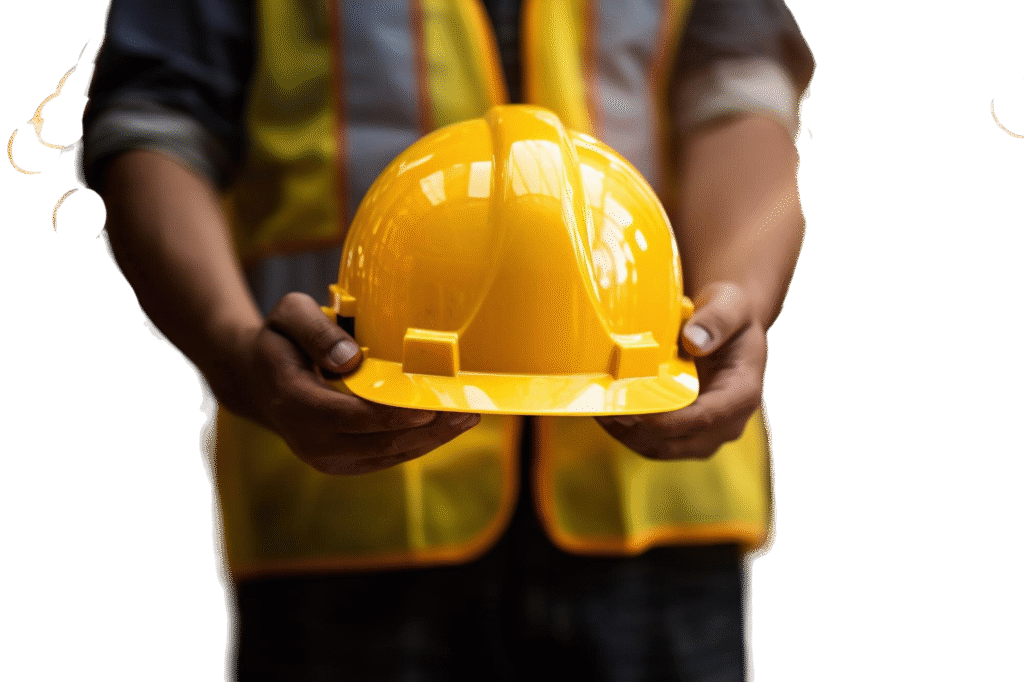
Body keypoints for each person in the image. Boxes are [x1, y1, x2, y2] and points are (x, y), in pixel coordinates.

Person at [79, 0, 813, 679]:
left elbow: (737, 93)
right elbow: (155, 128)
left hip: (656, 508)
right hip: (348, 503)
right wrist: (231, 347)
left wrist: (737, 301)